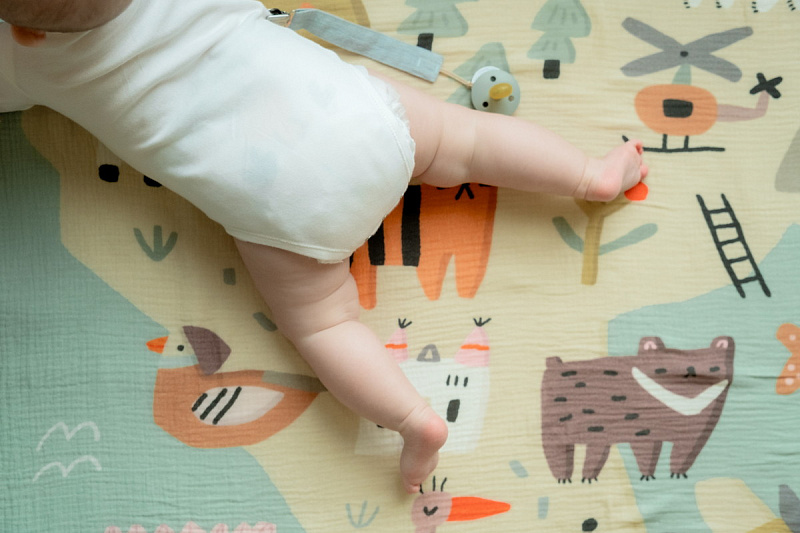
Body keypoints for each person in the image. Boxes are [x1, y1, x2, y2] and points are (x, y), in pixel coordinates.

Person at [0, 0, 648, 494]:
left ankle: (414, 419)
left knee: (326, 325)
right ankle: (589, 176)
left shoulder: (28, 57)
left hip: (281, 209)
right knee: (468, 140)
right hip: (358, 123)